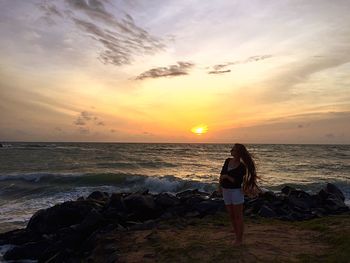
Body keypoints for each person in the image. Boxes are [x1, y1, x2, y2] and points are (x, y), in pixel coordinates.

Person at [218, 143, 261, 246]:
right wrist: (219, 186)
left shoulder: (242, 166)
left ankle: (239, 239)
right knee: (232, 215)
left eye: (233, 149)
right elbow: (222, 174)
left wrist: (227, 177)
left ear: (238, 152)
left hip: (236, 191)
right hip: (225, 190)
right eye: (231, 149)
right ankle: (236, 236)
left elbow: (237, 182)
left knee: (238, 216)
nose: (231, 151)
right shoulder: (227, 161)